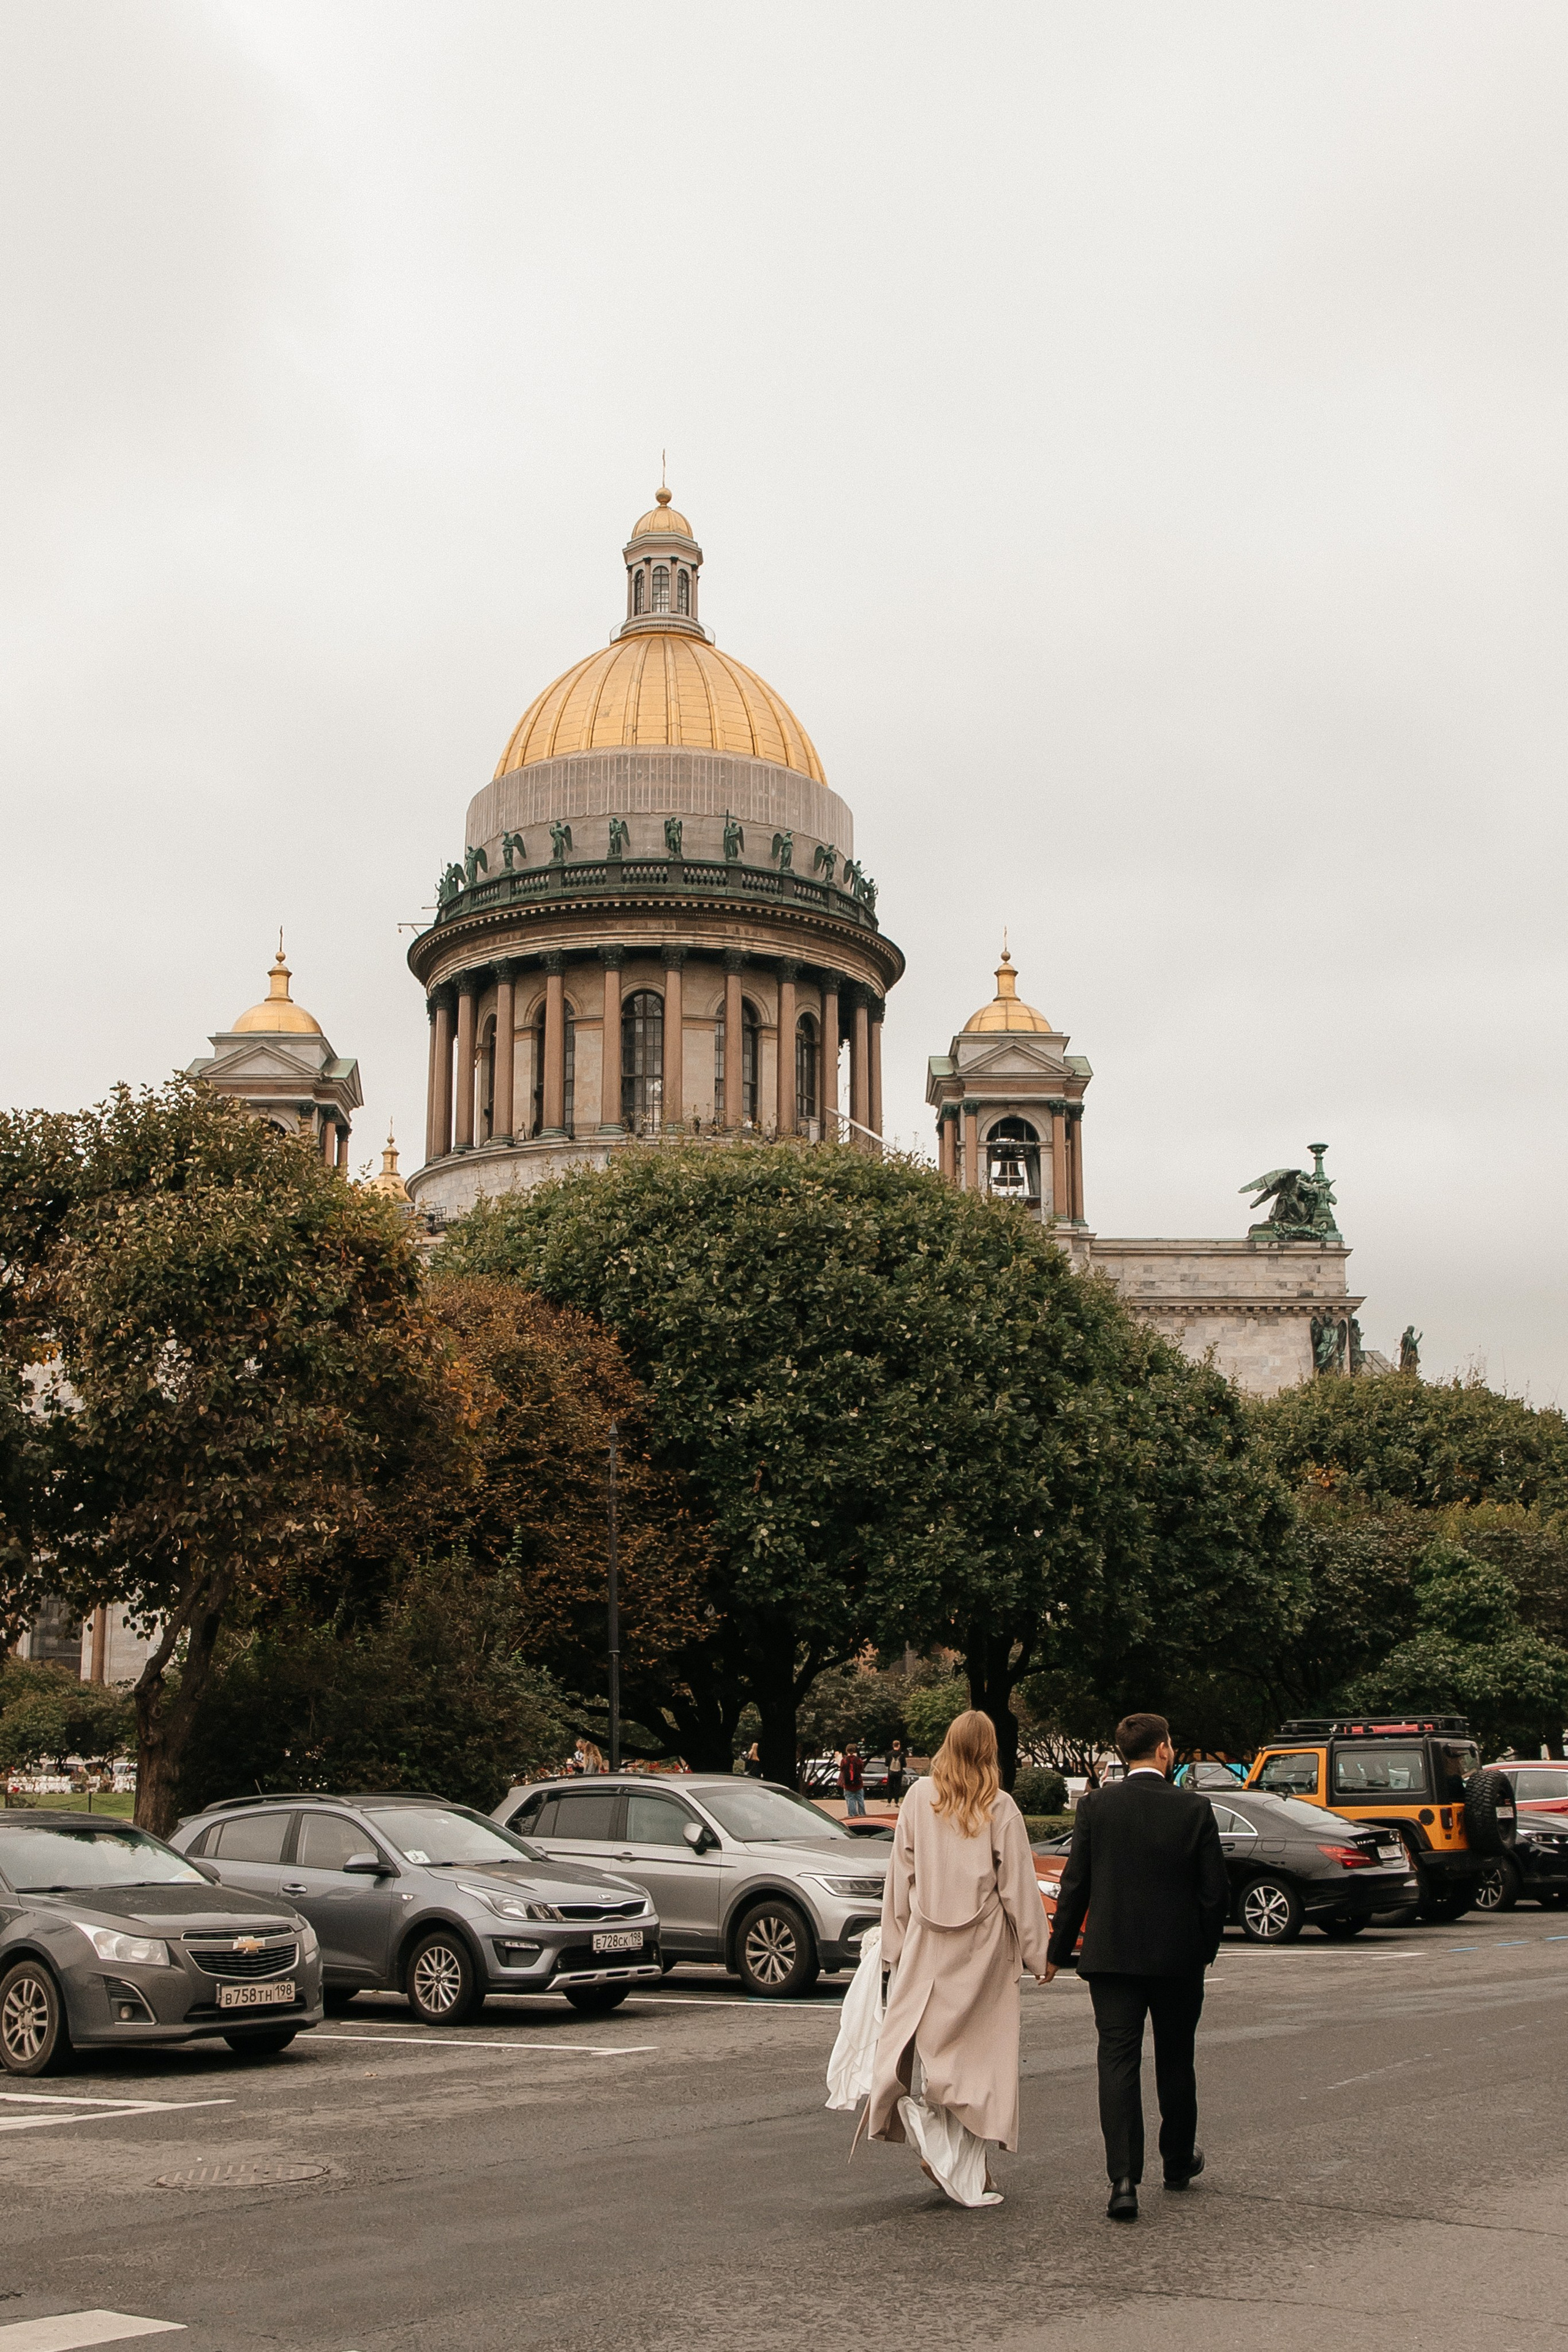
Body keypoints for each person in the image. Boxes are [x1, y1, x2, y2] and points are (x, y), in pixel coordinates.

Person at [1046, 1711, 1229, 2223]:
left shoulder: (1097, 1806)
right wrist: (1203, 1948)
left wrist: (1057, 1952)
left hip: (1112, 1957)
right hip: (1178, 1958)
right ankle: (1177, 2160)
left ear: (1125, 1754)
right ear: (1165, 1749)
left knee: (1118, 2061)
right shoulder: (1195, 1808)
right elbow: (1215, 1893)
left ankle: (1123, 2179)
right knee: (1176, 2057)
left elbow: (1075, 1884)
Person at [867, 1710, 1052, 2207]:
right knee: (982, 2059)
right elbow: (1018, 1888)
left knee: (937, 2049)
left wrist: (894, 1946)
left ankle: (947, 2144)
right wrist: (1039, 1953)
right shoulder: (1001, 1806)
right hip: (983, 1946)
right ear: (990, 1749)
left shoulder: (916, 1797)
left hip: (928, 1941)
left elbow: (899, 1878)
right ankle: (964, 2157)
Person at [840, 1743, 867, 1819]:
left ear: (847, 1751)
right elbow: (861, 1769)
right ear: (854, 1750)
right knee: (860, 1798)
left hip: (848, 1784)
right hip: (858, 1783)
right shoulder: (858, 1760)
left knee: (850, 1799)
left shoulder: (844, 1760)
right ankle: (862, 1814)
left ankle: (852, 1815)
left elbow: (842, 1769)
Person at [886, 1738, 907, 1802]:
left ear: (893, 1745)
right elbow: (904, 1765)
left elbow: (886, 1764)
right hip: (899, 1773)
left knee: (890, 1786)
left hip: (891, 1772)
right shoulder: (902, 1755)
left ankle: (889, 1801)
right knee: (898, 1787)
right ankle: (896, 1802)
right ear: (899, 1746)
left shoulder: (889, 1754)